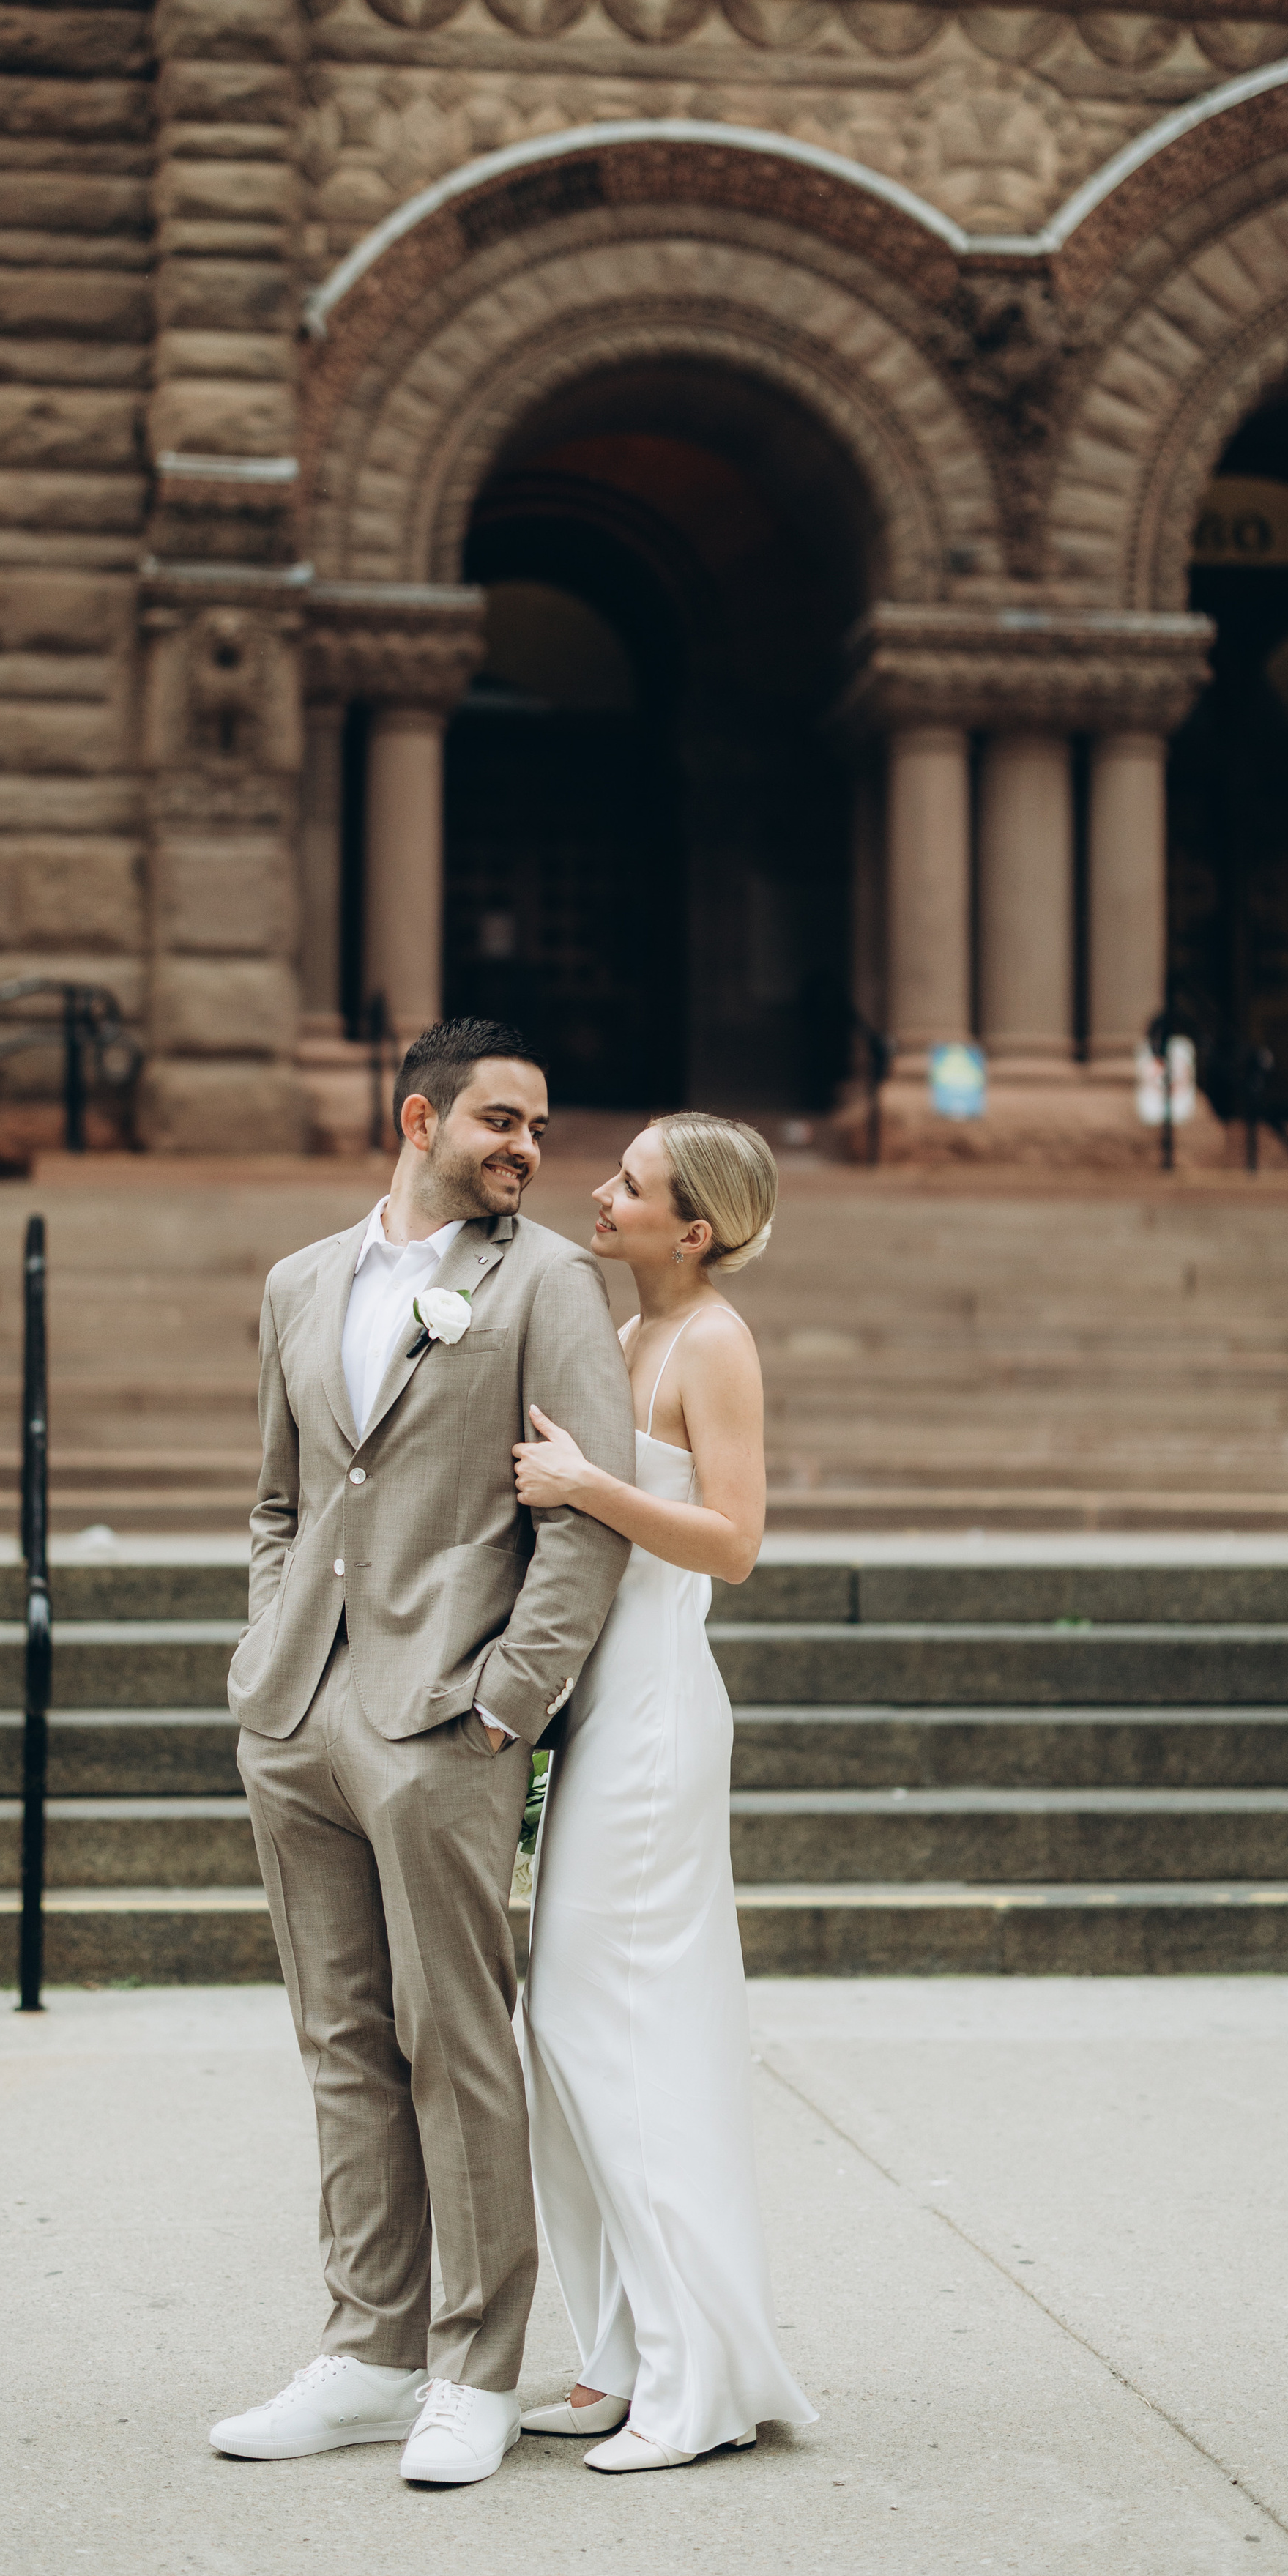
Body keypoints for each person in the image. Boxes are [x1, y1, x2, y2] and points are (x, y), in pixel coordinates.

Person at [210, 1020, 636, 2487]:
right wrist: (267, 1661)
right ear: (417, 1118)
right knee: (339, 2041)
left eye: (537, 1126)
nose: (524, 1148)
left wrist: (510, 1697)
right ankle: (364, 2354)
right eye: (498, 1121)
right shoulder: (294, 1283)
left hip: (447, 1713)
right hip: (296, 1717)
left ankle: (476, 2369)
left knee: (454, 2041)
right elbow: (279, 1501)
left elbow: (587, 1513)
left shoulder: (551, 1283)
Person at [513, 1111, 818, 2471]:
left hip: (655, 1721)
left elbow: (736, 1543)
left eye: (627, 1182)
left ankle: (694, 2382)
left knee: (606, 2024)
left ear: (689, 1228)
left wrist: (587, 1483)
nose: (600, 1189)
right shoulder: (624, 1339)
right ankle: (620, 2355)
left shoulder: (715, 1344)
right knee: (564, 2032)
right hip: (596, 1709)